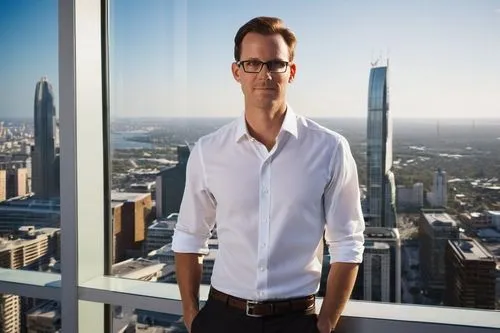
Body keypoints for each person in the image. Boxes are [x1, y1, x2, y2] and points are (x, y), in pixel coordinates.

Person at [172, 16, 365, 333]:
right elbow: (190, 237)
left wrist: (327, 322)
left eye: (275, 63)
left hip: (297, 321)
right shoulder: (208, 152)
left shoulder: (330, 149)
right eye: (252, 63)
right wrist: (194, 317)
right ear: (237, 72)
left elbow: (347, 242)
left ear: (291, 71)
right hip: (221, 318)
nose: (264, 74)